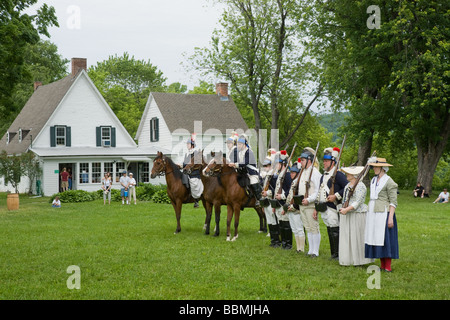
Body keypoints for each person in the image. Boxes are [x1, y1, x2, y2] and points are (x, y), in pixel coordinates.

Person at [365, 157, 399, 272]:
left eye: (376, 166)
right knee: (376, 238)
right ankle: (381, 265)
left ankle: (387, 266)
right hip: (373, 213)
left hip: (384, 214)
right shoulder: (374, 180)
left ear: (382, 168)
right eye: (374, 166)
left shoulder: (390, 182)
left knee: (385, 239)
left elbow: (393, 202)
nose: (374, 168)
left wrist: (390, 218)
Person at [314, 147, 348, 260]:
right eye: (324, 161)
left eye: (327, 161)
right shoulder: (323, 176)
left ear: (333, 162)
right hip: (324, 207)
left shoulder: (338, 175)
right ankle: (333, 253)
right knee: (329, 229)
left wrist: (336, 196)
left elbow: (348, 188)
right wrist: (316, 208)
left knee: (335, 230)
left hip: (333, 207)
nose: (324, 163)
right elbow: (320, 191)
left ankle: (338, 254)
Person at [338, 166, 374, 266]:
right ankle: (348, 259)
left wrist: (347, 209)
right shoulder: (348, 185)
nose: (346, 175)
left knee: (357, 236)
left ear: (354, 175)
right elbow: (346, 198)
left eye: (348, 173)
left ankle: (359, 260)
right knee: (347, 236)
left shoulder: (360, 186)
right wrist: (343, 207)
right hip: (347, 213)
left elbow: (358, 202)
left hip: (357, 214)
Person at [297, 147, 321, 258]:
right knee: (308, 227)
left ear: (309, 160)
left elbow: (318, 190)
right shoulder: (303, 172)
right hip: (303, 204)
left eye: (302, 160)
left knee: (314, 227)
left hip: (310, 204)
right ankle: (311, 249)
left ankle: (315, 251)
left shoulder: (315, 173)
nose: (300, 162)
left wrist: (309, 199)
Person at [229, 134, 262, 207]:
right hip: (244, 172)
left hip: (252, 172)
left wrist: (235, 164)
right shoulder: (240, 152)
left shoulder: (249, 152)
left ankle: (259, 199)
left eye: (240, 144)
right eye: (238, 144)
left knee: (253, 181)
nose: (238, 146)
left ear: (244, 144)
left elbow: (245, 162)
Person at [272, 150, 293, 249]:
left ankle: (288, 244)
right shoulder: (280, 174)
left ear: (283, 164)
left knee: (286, 224)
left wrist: (282, 196)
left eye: (278, 163)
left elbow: (290, 189)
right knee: (281, 224)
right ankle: (284, 242)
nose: (276, 165)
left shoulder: (287, 175)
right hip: (278, 203)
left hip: (284, 202)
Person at [286, 160, 306, 253]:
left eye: (293, 172)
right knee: (294, 229)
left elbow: (299, 197)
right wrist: (287, 206)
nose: (291, 174)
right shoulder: (293, 182)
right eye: (291, 172)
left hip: (296, 209)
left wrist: (293, 206)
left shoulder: (299, 183)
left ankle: (301, 248)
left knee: (299, 228)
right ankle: (298, 247)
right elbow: (290, 196)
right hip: (290, 208)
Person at [260, 154, 279, 246]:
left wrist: (267, 193)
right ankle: (273, 241)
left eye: (267, 166)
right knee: (269, 221)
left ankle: (277, 241)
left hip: (272, 201)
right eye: (265, 166)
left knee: (274, 221)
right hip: (266, 201)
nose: (265, 167)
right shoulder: (267, 175)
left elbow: (275, 190)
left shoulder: (274, 175)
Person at [182, 134, 204, 208]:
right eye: (187, 144)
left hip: (194, 173)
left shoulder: (196, 153)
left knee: (194, 183)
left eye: (188, 144)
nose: (187, 145)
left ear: (192, 145)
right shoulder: (187, 154)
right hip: (186, 172)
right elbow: (185, 164)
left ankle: (196, 200)